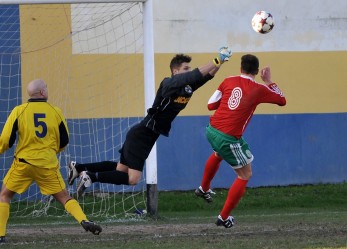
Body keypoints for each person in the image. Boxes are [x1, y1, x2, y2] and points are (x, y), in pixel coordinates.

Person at [67, 47, 233, 198]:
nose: (189, 71)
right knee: (133, 179)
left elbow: (207, 76)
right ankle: (90, 177)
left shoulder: (186, 88)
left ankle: (79, 167)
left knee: (120, 170)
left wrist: (221, 62)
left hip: (143, 134)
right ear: (175, 71)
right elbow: (195, 74)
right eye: (185, 68)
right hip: (142, 135)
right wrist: (215, 59)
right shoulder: (168, 83)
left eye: (189, 68)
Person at [0, 79, 102, 243]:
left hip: (24, 163)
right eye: (46, 88)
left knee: (4, 195)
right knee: (64, 197)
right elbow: (64, 140)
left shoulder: (19, 111)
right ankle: (84, 220)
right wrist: (52, 151)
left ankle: (0, 235)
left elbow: (6, 139)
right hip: (47, 164)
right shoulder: (55, 112)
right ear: (42, 92)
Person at [194, 54, 286, 228]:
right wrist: (269, 81)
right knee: (245, 174)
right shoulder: (259, 88)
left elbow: (211, 105)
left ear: (240, 68)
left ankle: (203, 188)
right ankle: (223, 218)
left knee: (218, 153)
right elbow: (282, 100)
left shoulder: (229, 80)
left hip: (212, 130)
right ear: (257, 71)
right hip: (228, 137)